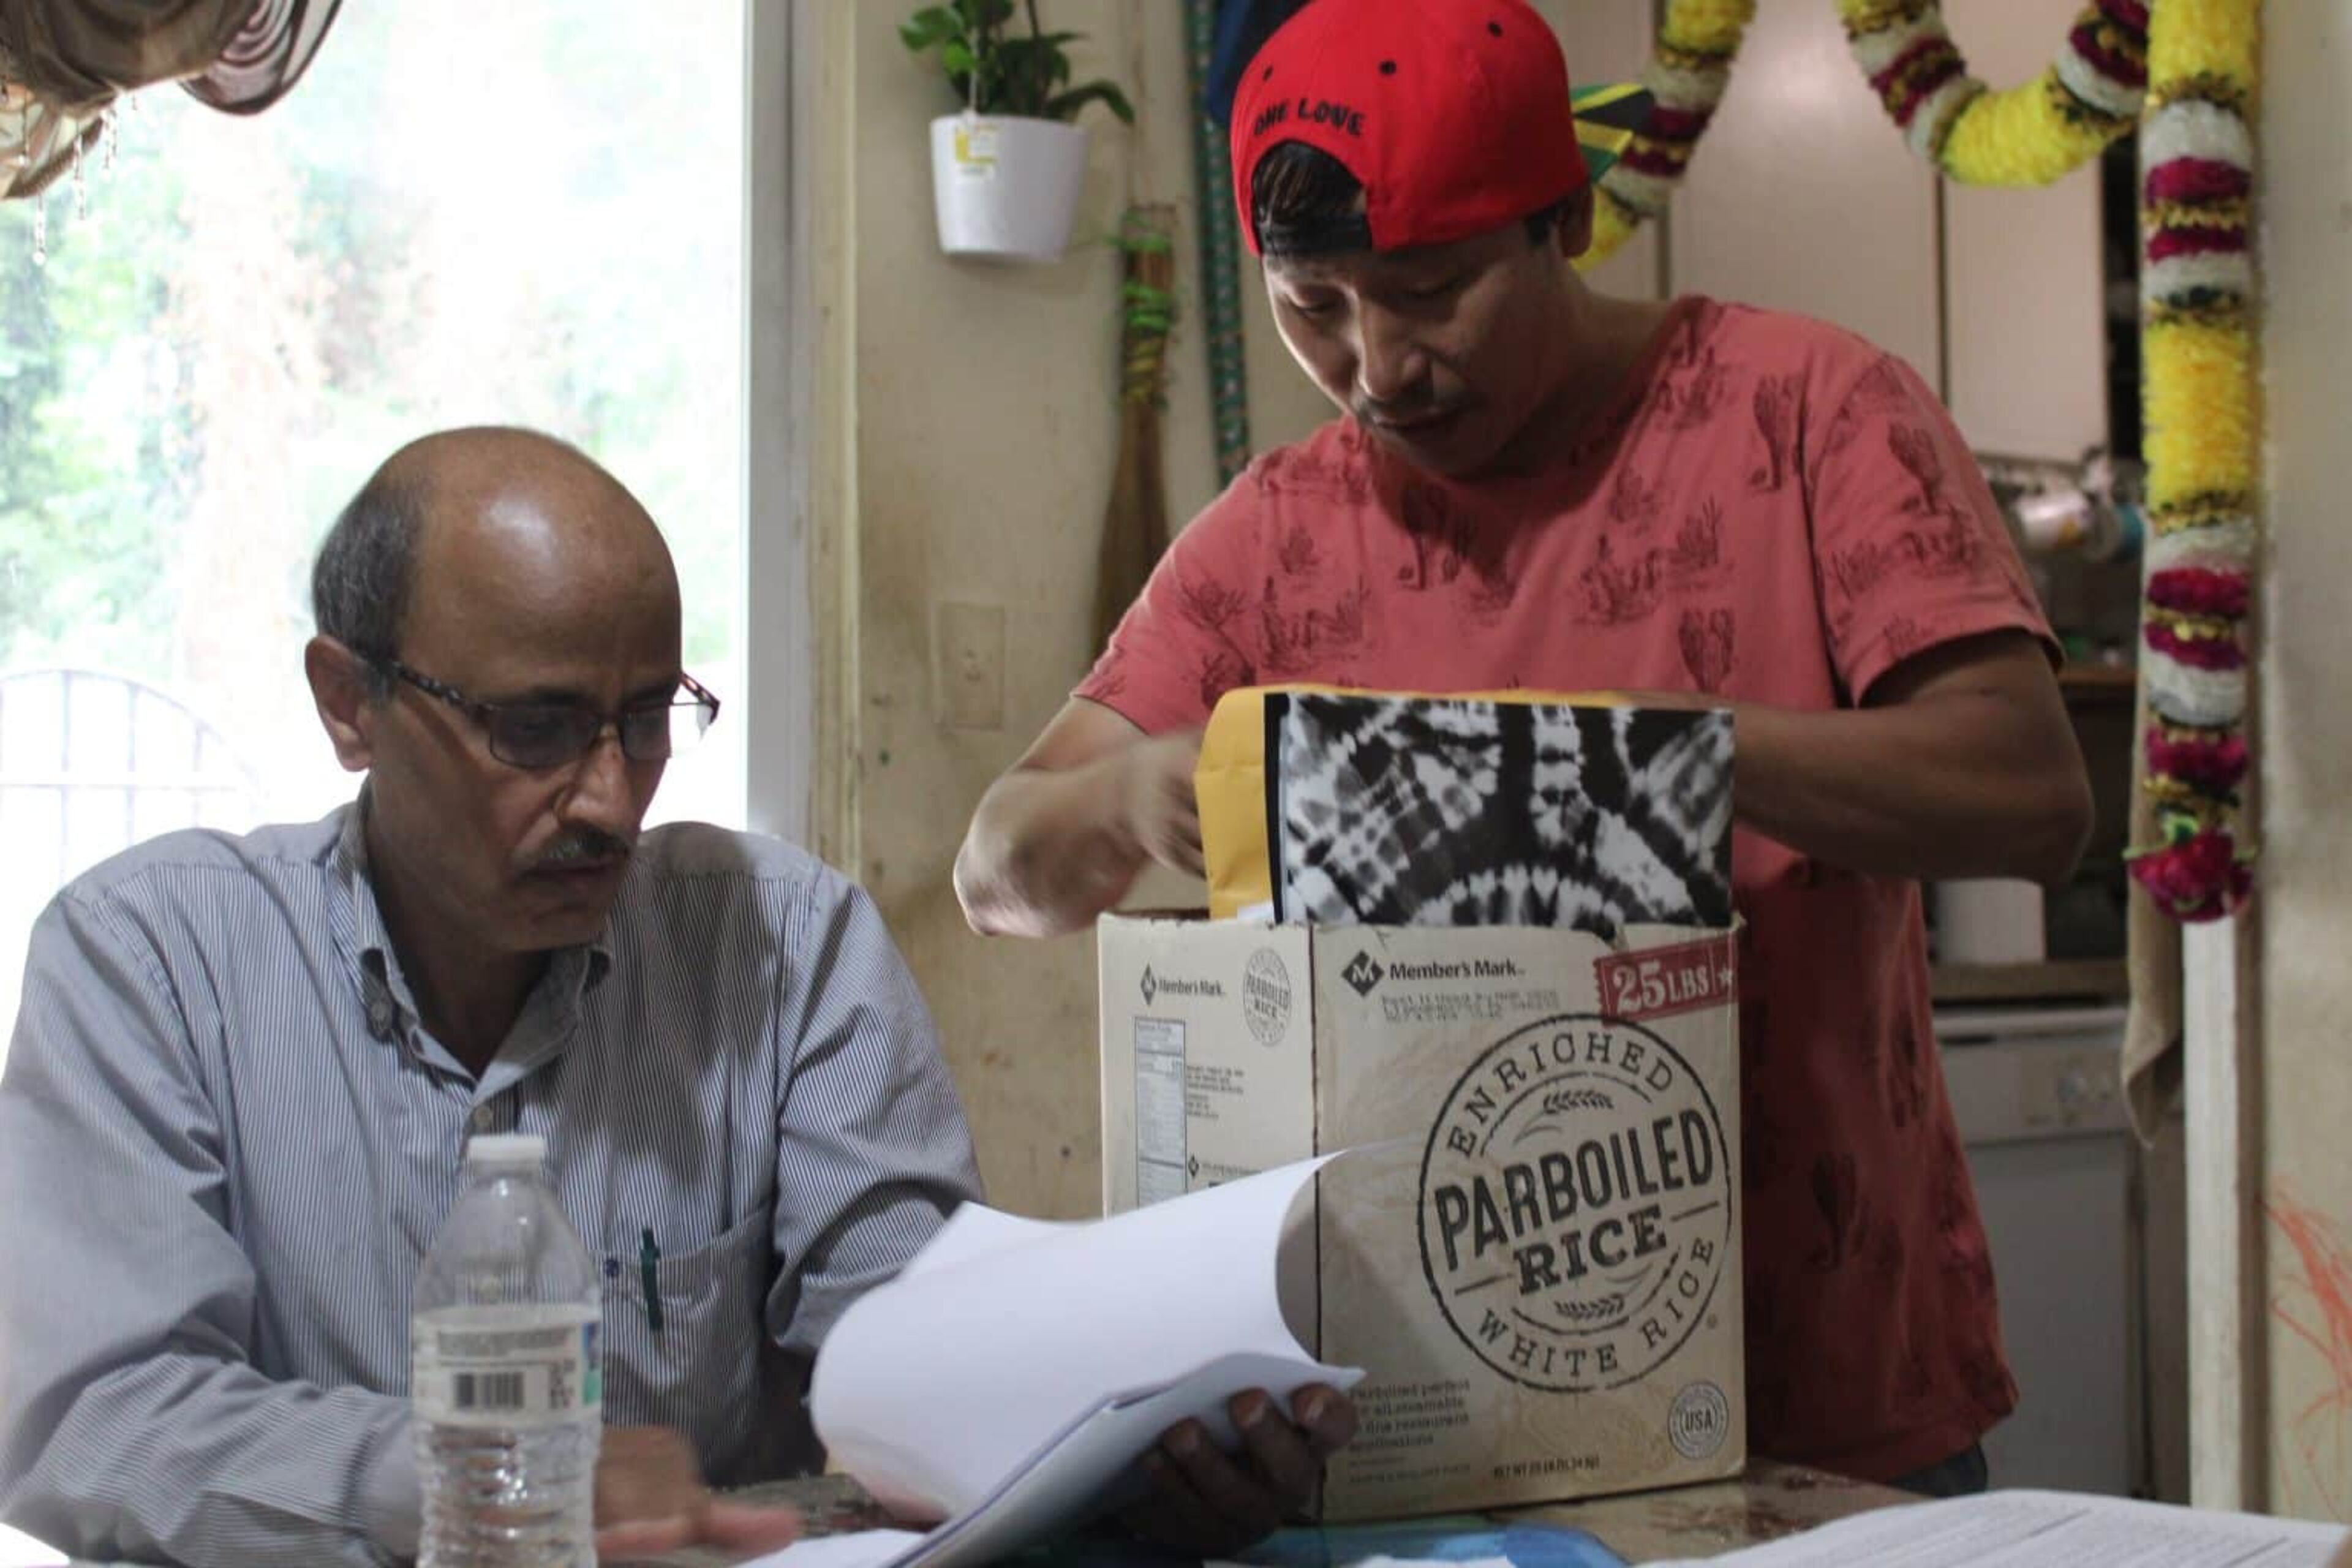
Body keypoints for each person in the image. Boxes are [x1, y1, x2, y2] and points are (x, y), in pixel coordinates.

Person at [957, 0, 2094, 1498]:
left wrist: (1624, 763)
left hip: (1830, 1410)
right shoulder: (1275, 534)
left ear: (1567, 215)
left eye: (1429, 291)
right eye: (1315, 306)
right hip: (1415, 1437)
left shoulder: (1812, 412)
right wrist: (1128, 795)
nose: (1377, 367)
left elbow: (2030, 796)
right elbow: (996, 871)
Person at [0, 428, 1335, 1566]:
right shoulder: (155, 960)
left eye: (647, 719)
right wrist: (472, 1480)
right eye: (534, 725)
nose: (606, 794)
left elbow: (921, 1347)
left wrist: (1136, 1460)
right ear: (349, 701)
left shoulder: (782, 946)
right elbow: (90, 1414)